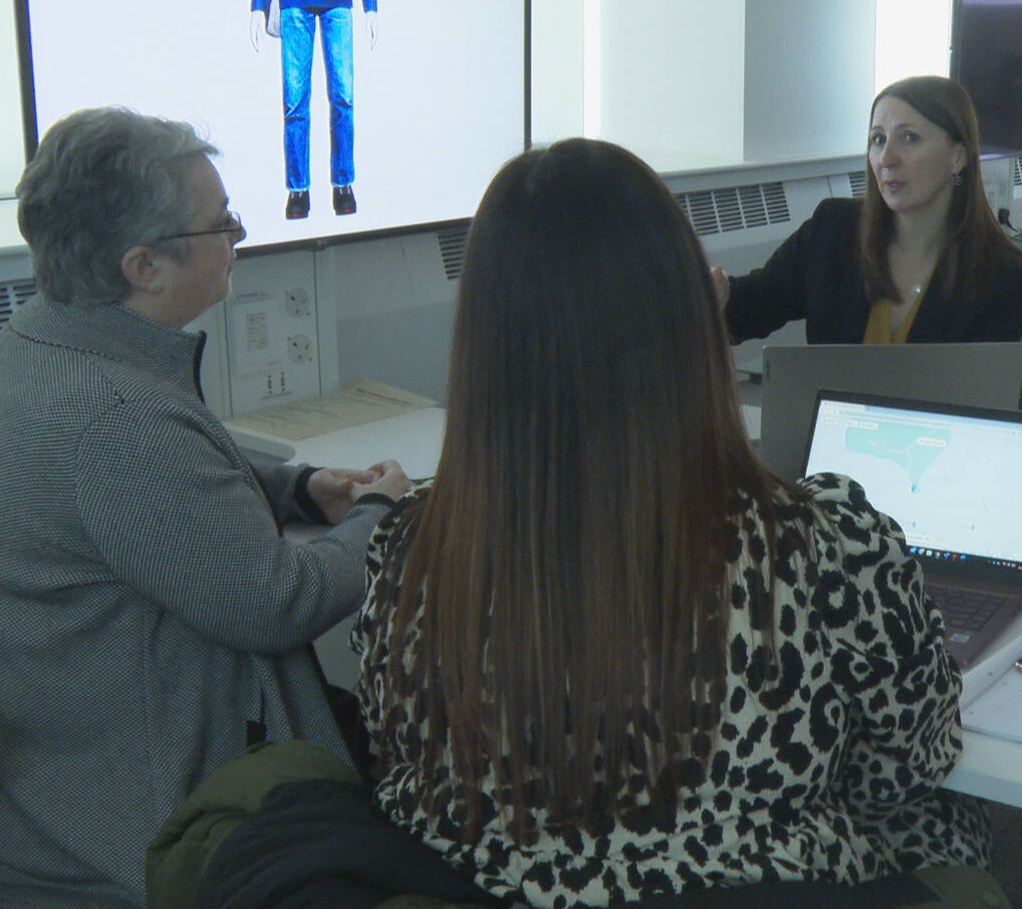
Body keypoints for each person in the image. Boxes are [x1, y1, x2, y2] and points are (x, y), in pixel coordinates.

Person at [352, 139, 988, 905]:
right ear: (690, 313)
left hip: (492, 887)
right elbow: (913, 761)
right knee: (953, 834)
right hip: (760, 887)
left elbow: (396, 752)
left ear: (483, 337)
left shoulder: (410, 551)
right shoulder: (824, 548)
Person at [0, 107, 410, 909]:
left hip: (50, 790)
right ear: (146, 266)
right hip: (137, 833)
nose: (236, 236)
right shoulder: (119, 418)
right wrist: (381, 518)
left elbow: (156, 495)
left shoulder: (36, 345)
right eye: (223, 223)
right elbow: (278, 601)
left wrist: (296, 485)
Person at [717, 75, 1022, 345]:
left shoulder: (1002, 273)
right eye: (878, 140)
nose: (886, 159)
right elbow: (748, 308)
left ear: (958, 157)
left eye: (909, 138)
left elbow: (982, 397)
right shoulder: (833, 229)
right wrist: (707, 295)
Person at [251, 0, 379, 220]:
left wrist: (370, 0)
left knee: (343, 98)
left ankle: (343, 184)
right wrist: (259, 2)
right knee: (295, 101)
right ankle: (298, 191)